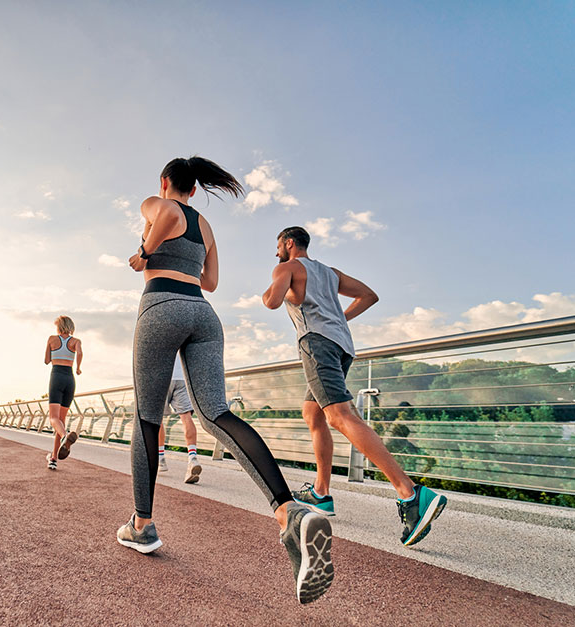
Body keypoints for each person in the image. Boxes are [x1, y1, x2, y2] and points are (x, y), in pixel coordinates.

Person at [116, 156, 334, 605]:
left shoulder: (157, 203)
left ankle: (142, 525)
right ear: (195, 189)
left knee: (146, 419)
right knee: (216, 413)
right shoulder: (207, 227)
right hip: (203, 314)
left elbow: (158, 230)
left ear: (165, 183)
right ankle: (288, 511)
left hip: (161, 307)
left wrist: (142, 255)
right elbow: (211, 281)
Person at [262, 226, 447, 546]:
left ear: (289, 243)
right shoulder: (330, 273)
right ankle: (321, 492)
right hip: (341, 345)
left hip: (316, 344)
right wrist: (339, 319)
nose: (275, 251)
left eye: (278, 245)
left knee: (339, 416)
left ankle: (411, 493)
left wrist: (276, 280)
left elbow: (271, 302)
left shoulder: (287, 267)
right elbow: (369, 295)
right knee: (314, 414)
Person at [43, 315, 83, 470]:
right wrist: (78, 367)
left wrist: (53, 351)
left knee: (53, 418)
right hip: (70, 379)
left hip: (57, 376)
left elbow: (46, 360)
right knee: (60, 421)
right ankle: (53, 458)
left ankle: (65, 436)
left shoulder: (52, 339)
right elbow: (79, 353)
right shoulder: (76, 341)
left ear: (58, 327)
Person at [157, 353, 202, 484]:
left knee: (157, 418)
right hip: (182, 377)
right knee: (186, 417)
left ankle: (160, 459)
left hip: (162, 376)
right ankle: (192, 457)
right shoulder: (182, 332)